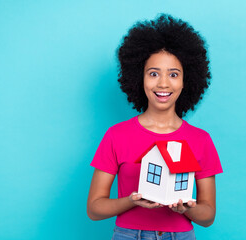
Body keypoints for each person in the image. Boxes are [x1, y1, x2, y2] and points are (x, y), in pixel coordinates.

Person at [87, 14, 223, 240]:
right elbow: (94, 208)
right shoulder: (116, 135)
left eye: (173, 74)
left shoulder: (201, 140)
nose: (163, 83)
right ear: (139, 77)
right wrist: (131, 201)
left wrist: (186, 208)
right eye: (153, 73)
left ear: (186, 81)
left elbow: (208, 216)